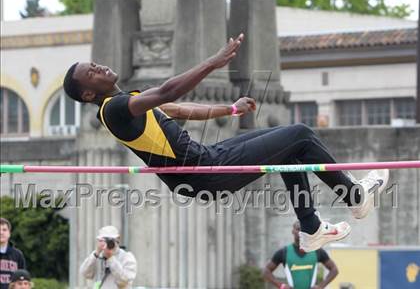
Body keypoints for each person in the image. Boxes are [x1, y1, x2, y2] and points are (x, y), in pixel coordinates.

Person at [63, 33, 389, 251]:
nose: (99, 66)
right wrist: (212, 63)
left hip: (207, 158)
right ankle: (354, 197)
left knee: (292, 146)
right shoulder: (115, 109)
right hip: (203, 171)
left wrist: (230, 109)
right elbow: (168, 92)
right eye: (92, 72)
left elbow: (177, 108)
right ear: (89, 93)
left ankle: (312, 228)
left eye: (94, 64)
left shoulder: (128, 102)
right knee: (301, 133)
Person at [263, 222, 338, 289]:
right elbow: (266, 271)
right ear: (293, 231)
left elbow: (334, 269)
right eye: (298, 229)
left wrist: (321, 286)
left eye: (304, 230)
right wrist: (281, 286)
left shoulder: (317, 251)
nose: (301, 232)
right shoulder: (283, 252)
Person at [0, 218, 26, 288]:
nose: (1, 232)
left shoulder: (18, 255)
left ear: (9, 233)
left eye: (4, 230)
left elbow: (22, 279)